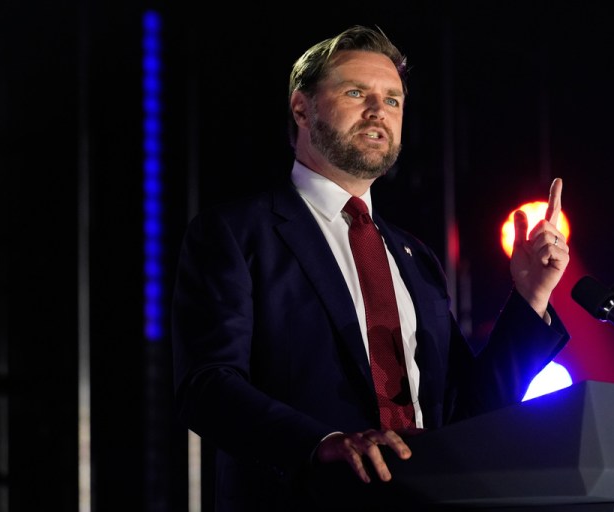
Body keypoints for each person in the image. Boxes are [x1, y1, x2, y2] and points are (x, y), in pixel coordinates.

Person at [171, 25, 570, 511]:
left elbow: (471, 413)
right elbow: (207, 387)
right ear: (302, 109)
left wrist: (530, 298)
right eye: (356, 93)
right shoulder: (237, 233)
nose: (379, 110)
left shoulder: (415, 258)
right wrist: (322, 444)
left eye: (393, 100)